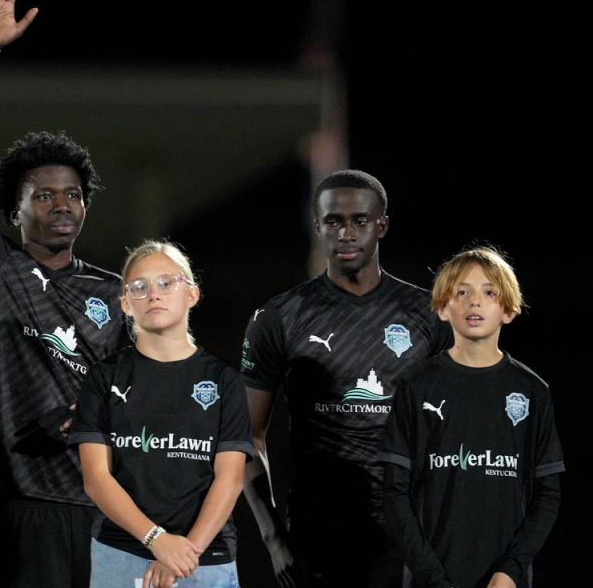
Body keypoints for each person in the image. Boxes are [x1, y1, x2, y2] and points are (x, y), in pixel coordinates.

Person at [0, 0, 125, 587]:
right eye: (43, 196)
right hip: (12, 500)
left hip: (105, 507)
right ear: (12, 208)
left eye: (72, 195)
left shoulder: (115, 293)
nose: (61, 206)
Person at [240, 169, 453, 587]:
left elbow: (455, 427)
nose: (347, 233)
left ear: (382, 226)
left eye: (360, 221)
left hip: (412, 536)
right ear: (317, 226)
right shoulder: (278, 318)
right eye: (334, 222)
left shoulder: (431, 316)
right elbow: (248, 436)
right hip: (318, 538)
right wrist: (274, 540)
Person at [70, 240, 253, 588]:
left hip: (205, 558)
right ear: (125, 303)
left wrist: (184, 553)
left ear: (192, 294)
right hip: (122, 553)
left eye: (166, 283)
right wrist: (157, 540)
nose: (154, 294)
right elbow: (96, 478)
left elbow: (229, 478)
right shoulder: (104, 378)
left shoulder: (223, 380)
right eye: (140, 287)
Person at [379, 246, 563, 588]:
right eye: (462, 292)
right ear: (442, 307)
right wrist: (431, 576)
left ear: (508, 309)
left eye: (488, 292)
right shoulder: (415, 387)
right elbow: (394, 493)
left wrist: (511, 570)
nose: (474, 301)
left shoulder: (533, 391)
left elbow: (548, 494)